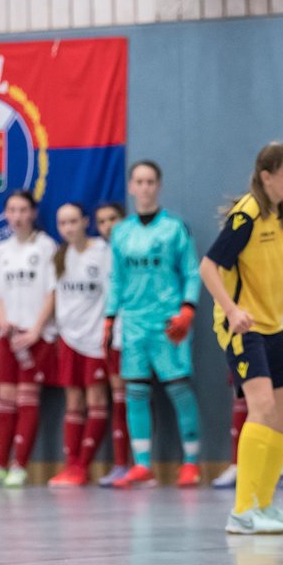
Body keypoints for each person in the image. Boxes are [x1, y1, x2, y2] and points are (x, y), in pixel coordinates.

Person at [199, 143, 283, 534]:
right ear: (267, 176)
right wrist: (231, 310)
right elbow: (209, 266)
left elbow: (272, 263)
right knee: (262, 407)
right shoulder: (246, 213)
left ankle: (265, 504)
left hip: (271, 325)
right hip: (242, 326)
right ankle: (242, 511)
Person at [104, 161, 204, 489]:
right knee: (134, 391)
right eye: (139, 181)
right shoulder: (121, 231)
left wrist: (187, 309)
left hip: (167, 321)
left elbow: (191, 270)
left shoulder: (175, 228)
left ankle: (191, 462)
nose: (144, 188)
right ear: (131, 187)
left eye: (150, 181)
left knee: (178, 388)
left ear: (158, 186)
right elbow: (116, 278)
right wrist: (109, 316)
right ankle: (142, 464)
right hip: (132, 322)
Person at [0, 191, 57, 487]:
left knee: (27, 398)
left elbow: (51, 292)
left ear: (33, 213)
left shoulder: (46, 247)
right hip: (7, 335)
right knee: (5, 399)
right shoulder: (1, 251)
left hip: (36, 336)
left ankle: (20, 465)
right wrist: (2, 322)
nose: (17, 216)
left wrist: (35, 330)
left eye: (23, 210)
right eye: (12, 210)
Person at [48, 203, 111, 487]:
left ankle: (84, 466)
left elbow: (111, 295)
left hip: (96, 339)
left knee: (96, 400)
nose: (68, 228)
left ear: (86, 221)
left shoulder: (103, 252)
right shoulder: (60, 256)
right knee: (73, 403)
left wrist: (108, 331)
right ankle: (71, 464)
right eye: (62, 223)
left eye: (73, 221)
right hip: (69, 339)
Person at [93, 202, 132, 486]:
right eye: (102, 221)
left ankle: (142, 462)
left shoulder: (134, 247)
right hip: (112, 335)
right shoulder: (95, 254)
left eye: (113, 219)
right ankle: (121, 463)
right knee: (118, 399)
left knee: (137, 397)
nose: (108, 226)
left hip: (137, 332)